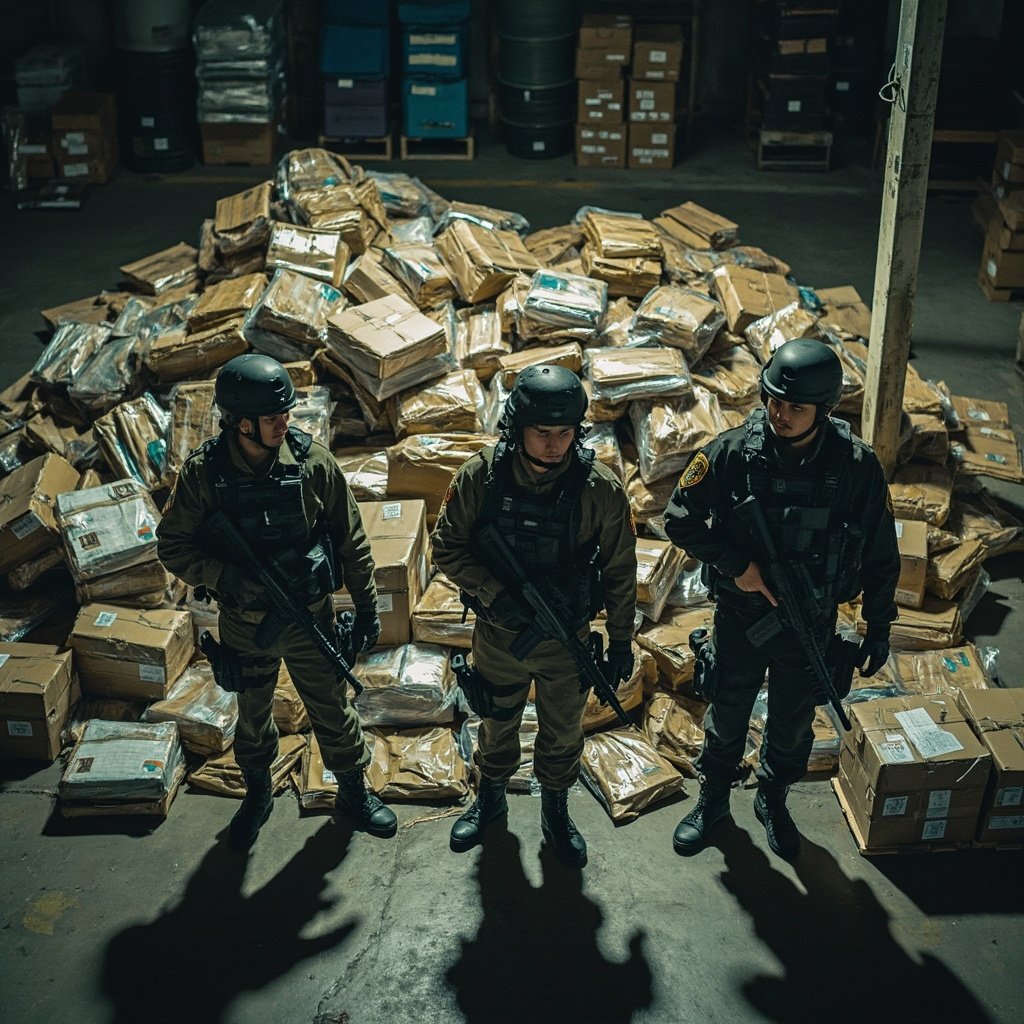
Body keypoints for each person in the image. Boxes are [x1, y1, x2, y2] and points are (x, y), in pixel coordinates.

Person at [664, 338, 899, 859]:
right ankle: (714, 799)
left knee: (792, 726)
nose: (781, 414)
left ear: (824, 409)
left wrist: (878, 626)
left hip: (810, 621)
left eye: (796, 407)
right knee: (725, 714)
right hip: (740, 618)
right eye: (774, 400)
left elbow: (882, 555)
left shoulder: (856, 467)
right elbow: (678, 518)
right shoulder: (730, 452)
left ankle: (773, 797)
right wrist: (737, 566)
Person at [157, 353, 396, 850]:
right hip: (245, 623)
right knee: (253, 713)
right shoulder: (205, 474)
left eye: (286, 414)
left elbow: (351, 538)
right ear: (241, 422)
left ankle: (352, 790)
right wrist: (223, 575)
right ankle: (258, 793)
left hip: (309, 614)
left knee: (330, 705)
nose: (284, 424)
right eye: (272, 418)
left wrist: (368, 608)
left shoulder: (312, 463)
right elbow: (173, 545)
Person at [431, 364, 638, 867]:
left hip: (565, 639)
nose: (553, 444)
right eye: (542, 433)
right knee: (496, 720)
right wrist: (495, 593)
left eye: (564, 432)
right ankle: (491, 800)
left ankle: (556, 810)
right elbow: (446, 548)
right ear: (517, 428)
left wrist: (621, 641)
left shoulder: (600, 489)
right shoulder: (481, 476)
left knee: (563, 729)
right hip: (500, 635)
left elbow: (620, 571)